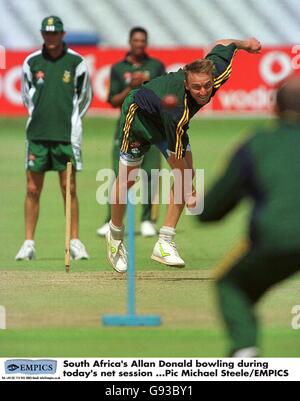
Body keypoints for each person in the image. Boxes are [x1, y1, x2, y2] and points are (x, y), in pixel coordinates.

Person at [105, 37, 262, 273]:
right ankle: (115, 236)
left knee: (186, 175)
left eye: (207, 86)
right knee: (129, 177)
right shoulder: (177, 108)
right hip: (139, 116)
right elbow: (176, 159)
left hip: (169, 121)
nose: (203, 91)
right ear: (187, 84)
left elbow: (225, 43)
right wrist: (190, 189)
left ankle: (164, 242)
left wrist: (245, 45)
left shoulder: (215, 72)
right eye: (196, 87)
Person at [197, 75, 300, 357]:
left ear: (274, 109)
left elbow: (211, 212)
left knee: (232, 287)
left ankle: (245, 353)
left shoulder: (257, 143)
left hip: (278, 239)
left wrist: (199, 206)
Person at [15, 16, 92, 261]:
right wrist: (40, 116)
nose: (50, 37)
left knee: (68, 188)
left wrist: (71, 121)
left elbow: (85, 98)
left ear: (62, 34)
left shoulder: (76, 62)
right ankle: (28, 243)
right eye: (46, 33)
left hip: (66, 137)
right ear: (42, 34)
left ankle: (75, 241)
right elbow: (27, 96)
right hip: (37, 135)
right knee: (32, 188)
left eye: (55, 33)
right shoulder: (31, 62)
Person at [96, 27, 165, 238]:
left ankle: (147, 221)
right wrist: (129, 88)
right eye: (136, 40)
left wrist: (145, 87)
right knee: (120, 175)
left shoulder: (156, 66)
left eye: (143, 40)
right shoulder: (118, 68)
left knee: (151, 174)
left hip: (152, 128)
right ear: (130, 42)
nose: (139, 44)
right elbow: (113, 101)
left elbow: (163, 97)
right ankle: (111, 221)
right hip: (126, 128)